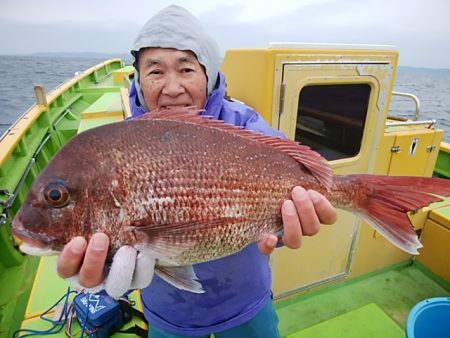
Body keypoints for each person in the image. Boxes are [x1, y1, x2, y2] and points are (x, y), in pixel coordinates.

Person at [57, 5, 337, 338]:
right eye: (156, 72)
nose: (172, 87)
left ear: (209, 73)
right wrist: (104, 265)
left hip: (246, 302)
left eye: (186, 69)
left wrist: (283, 228)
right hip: (170, 313)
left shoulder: (244, 124)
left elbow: (293, 176)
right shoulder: (122, 150)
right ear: (139, 78)